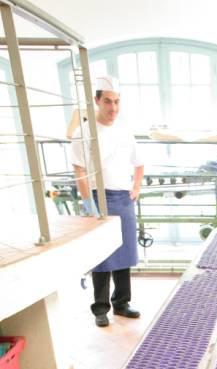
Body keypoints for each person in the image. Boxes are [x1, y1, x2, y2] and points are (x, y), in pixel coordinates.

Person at [71, 76, 144, 327]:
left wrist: (136, 187)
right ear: (97, 101)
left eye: (117, 102)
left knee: (124, 254)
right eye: (107, 102)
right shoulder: (84, 132)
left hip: (123, 198)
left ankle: (122, 303)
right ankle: (100, 308)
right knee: (100, 256)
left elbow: (139, 162)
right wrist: (87, 202)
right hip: (97, 197)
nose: (113, 108)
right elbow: (79, 168)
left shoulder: (125, 130)